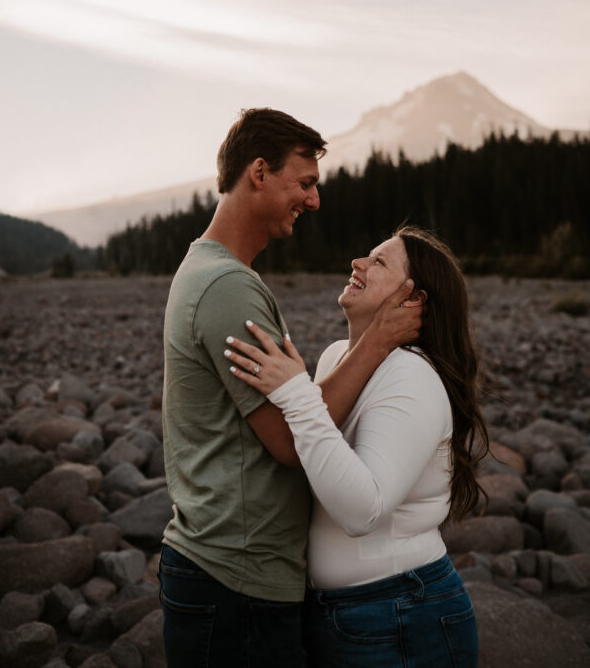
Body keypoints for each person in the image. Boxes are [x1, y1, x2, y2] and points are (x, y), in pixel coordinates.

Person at [159, 109, 424, 668]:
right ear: (259, 172)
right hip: (235, 579)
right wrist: (376, 341)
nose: (314, 200)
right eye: (305, 184)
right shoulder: (228, 285)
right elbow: (288, 438)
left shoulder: (207, 270)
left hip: (228, 572)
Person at [224, 224, 488, 668]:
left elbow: (362, 510)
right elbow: (309, 452)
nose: (357, 263)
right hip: (344, 612)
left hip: (400, 611)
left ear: (413, 299)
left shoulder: (411, 375)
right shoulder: (335, 356)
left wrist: (295, 393)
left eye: (379, 261)